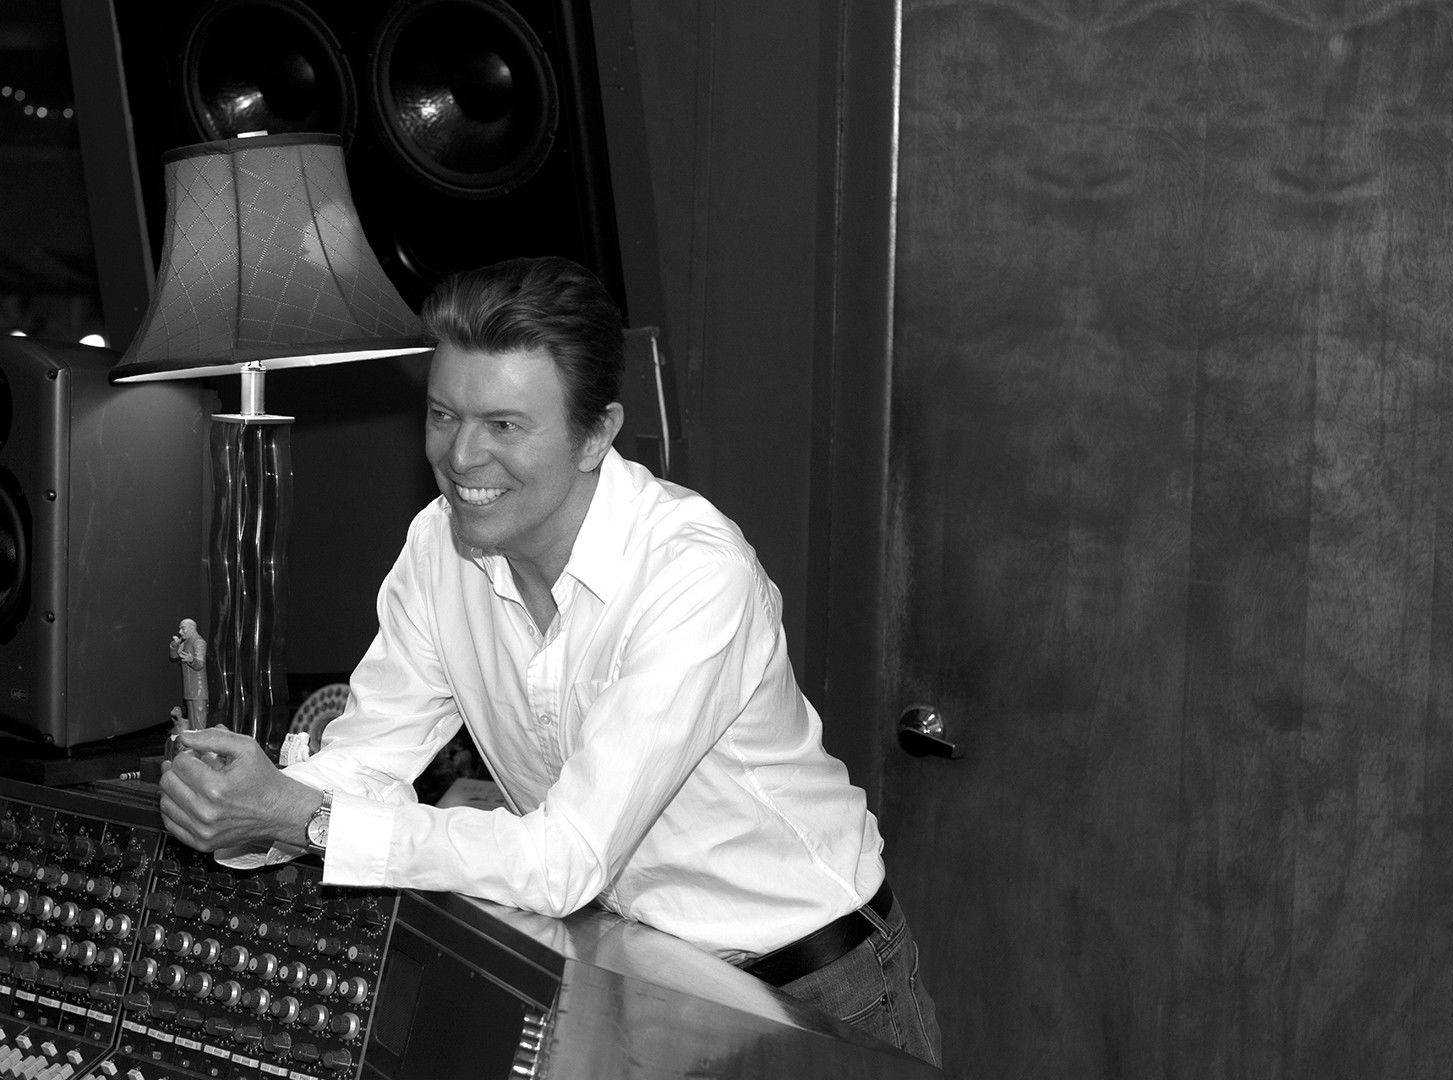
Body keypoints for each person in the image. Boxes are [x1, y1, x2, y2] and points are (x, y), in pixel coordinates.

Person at [159, 256, 940, 1063]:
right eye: (443, 414)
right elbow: (365, 763)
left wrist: (301, 817)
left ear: (595, 435)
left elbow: (565, 861)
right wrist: (242, 803)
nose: (462, 457)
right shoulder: (435, 547)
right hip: (638, 969)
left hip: (814, 981)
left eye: (504, 425)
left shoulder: (694, 573)